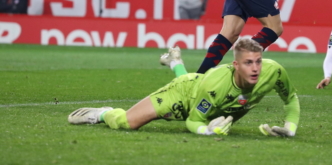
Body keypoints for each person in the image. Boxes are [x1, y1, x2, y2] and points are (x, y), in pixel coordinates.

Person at [68, 39, 300, 137]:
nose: (256, 68)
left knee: (199, 81)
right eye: (248, 63)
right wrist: (206, 131)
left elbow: (290, 99)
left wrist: (290, 128)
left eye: (258, 61)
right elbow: (193, 120)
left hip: (203, 87)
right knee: (128, 123)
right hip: (184, 94)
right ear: (235, 65)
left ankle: (174, 61)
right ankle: (102, 113)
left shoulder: (274, 71)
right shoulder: (216, 84)